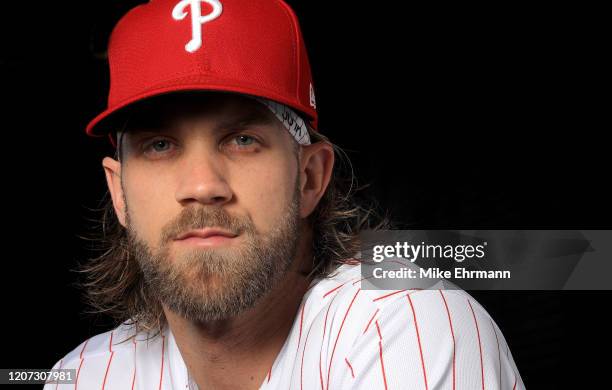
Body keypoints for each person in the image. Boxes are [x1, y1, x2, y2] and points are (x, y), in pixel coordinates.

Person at [45, 0, 525, 389]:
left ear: (310, 177)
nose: (202, 186)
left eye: (242, 140)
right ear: (119, 191)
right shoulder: (84, 375)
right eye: (160, 145)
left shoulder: (406, 324)